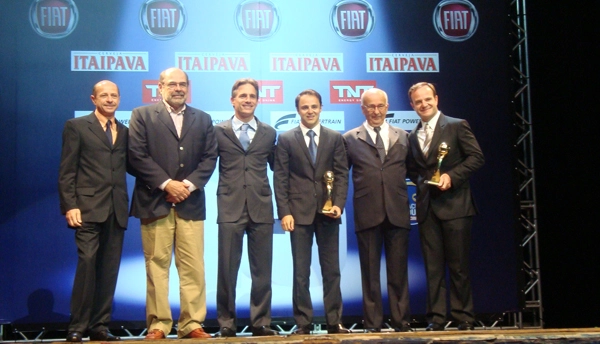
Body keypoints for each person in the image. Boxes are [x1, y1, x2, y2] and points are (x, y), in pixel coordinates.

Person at [128, 67, 218, 339]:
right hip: (155, 202)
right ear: (160, 87)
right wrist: (168, 184)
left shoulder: (202, 118)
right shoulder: (142, 115)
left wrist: (187, 186)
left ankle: (192, 324)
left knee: (193, 267)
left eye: (183, 84)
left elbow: (209, 158)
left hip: (191, 203)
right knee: (156, 265)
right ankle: (158, 324)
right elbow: (136, 155)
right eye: (172, 84)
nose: (178, 88)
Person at [406, 82, 484, 331]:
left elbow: (476, 157)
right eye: (418, 101)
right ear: (412, 105)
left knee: (458, 266)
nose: (424, 104)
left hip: (456, 207)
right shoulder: (412, 135)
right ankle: (436, 318)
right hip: (427, 208)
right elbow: (414, 169)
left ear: (436, 99)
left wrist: (452, 175)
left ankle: (464, 317)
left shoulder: (456, 125)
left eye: (427, 99)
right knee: (432, 267)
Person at [274, 89, 350, 335]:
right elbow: (280, 179)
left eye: (314, 106)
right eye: (305, 107)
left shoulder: (334, 138)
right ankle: (303, 322)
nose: (310, 111)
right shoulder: (285, 139)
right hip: (298, 214)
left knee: (331, 270)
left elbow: (341, 175)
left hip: (329, 214)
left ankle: (334, 321)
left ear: (321, 108)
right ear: (298, 110)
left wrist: (338, 203)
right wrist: (284, 212)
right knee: (300, 271)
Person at [58, 80, 128, 342]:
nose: (109, 99)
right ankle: (78, 326)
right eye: (104, 95)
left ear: (119, 99)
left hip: (116, 209)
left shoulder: (124, 130)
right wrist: (70, 205)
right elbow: (67, 170)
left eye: (114, 96)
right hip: (86, 209)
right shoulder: (76, 127)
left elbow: (133, 165)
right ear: (93, 99)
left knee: (109, 270)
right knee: (87, 265)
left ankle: (99, 326)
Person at [342, 88, 413, 333]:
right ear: (362, 109)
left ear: (387, 106)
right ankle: (372, 324)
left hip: (397, 210)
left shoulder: (403, 135)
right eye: (370, 106)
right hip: (367, 211)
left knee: (399, 272)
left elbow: (414, 171)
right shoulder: (350, 138)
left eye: (380, 106)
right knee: (370, 274)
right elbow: (340, 176)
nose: (375, 111)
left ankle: (401, 321)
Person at [213, 78, 279, 337]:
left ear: (257, 100)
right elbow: (206, 163)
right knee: (227, 270)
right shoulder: (218, 131)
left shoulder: (269, 132)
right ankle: (226, 324)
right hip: (229, 207)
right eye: (243, 96)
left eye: (252, 96)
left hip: (261, 206)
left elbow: (281, 168)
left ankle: (261, 322)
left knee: (262, 270)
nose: (248, 100)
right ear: (233, 100)